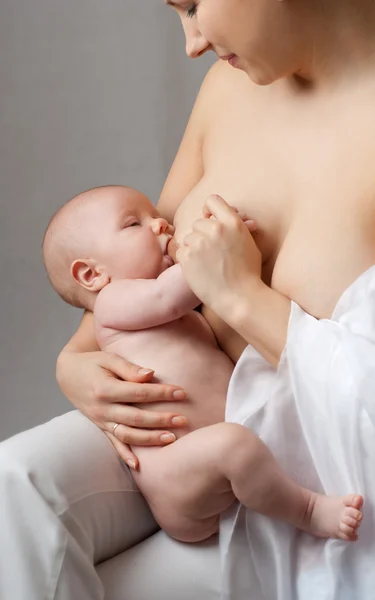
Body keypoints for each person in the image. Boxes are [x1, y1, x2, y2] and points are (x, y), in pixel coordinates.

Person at [1, 0, 375, 598]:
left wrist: (242, 297)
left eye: (194, 5)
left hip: (302, 480)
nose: (192, 43)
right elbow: (123, 283)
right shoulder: (227, 89)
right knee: (14, 486)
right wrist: (73, 366)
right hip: (177, 440)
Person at [43, 183, 363, 544]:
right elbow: (170, 294)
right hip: (176, 476)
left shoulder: (179, 317)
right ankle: (308, 511)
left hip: (214, 468)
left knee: (238, 446)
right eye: (134, 224)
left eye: (159, 217)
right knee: (232, 445)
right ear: (92, 275)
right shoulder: (113, 302)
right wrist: (216, 251)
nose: (161, 225)